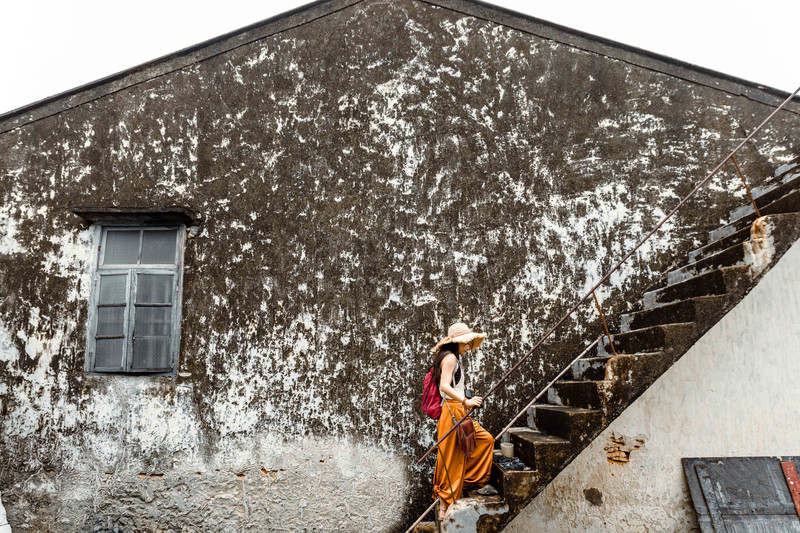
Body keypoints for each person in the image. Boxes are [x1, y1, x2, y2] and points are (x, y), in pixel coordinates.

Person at [430, 322, 495, 521]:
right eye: (466, 343)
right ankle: (444, 507)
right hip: (452, 410)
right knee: (451, 457)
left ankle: (462, 483)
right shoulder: (450, 358)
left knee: (483, 441)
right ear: (456, 343)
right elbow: (444, 387)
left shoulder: (450, 357)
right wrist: (466, 400)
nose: (468, 347)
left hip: (455, 410)